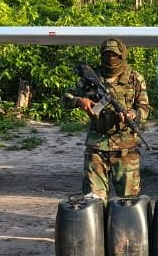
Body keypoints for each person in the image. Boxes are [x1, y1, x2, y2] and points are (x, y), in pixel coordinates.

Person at [63, 37, 150, 199]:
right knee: (93, 200)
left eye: (115, 55)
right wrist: (79, 101)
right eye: (107, 55)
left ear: (122, 55)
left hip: (126, 148)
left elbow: (144, 108)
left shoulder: (134, 78)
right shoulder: (91, 77)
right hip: (97, 146)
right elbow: (66, 98)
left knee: (128, 203)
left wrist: (132, 114)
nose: (111, 59)